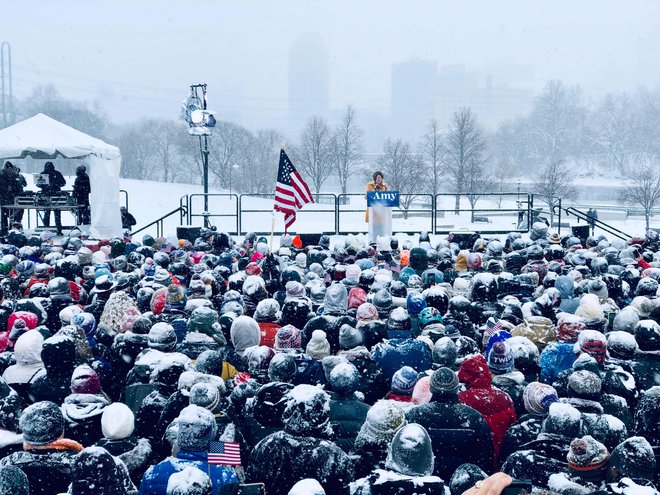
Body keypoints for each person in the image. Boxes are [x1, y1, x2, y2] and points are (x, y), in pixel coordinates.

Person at [38, 161, 67, 235]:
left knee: (48, 214)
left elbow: (63, 183)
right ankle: (57, 230)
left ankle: (47, 230)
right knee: (55, 214)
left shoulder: (43, 174)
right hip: (53, 195)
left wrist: (52, 185)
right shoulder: (56, 173)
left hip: (51, 195)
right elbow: (63, 183)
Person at [365, 171, 389, 244]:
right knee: (373, 227)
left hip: (381, 210)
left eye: (381, 178)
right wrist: (375, 189)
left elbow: (387, 196)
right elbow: (368, 194)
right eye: (378, 177)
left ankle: (382, 242)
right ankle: (373, 242)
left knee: (381, 227)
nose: (379, 179)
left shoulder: (385, 186)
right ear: (375, 178)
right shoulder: (370, 185)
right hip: (373, 210)